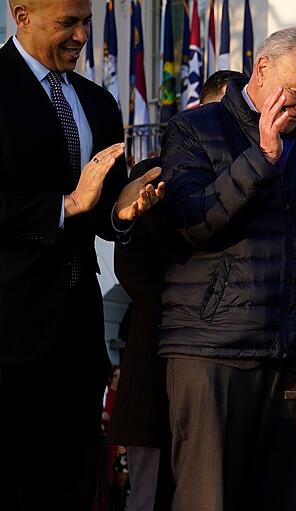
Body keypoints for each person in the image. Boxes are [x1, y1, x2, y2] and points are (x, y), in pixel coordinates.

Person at [159, 26, 296, 510]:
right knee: (208, 499)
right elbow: (192, 223)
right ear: (261, 69)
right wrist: (261, 157)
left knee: (282, 498)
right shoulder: (195, 129)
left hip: (293, 352)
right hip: (213, 349)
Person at [0, 0, 163, 508]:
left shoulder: (96, 102)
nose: (80, 36)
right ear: (20, 14)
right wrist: (67, 205)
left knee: (72, 481)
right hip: (9, 329)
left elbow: (102, 212)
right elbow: (73, 204)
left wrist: (125, 210)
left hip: (77, 332)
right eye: (66, 23)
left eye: (85, 22)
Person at [107, 72, 238, 511]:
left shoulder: (253, 171)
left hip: (229, 367)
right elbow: (133, 267)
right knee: (149, 496)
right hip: (158, 360)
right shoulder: (154, 173)